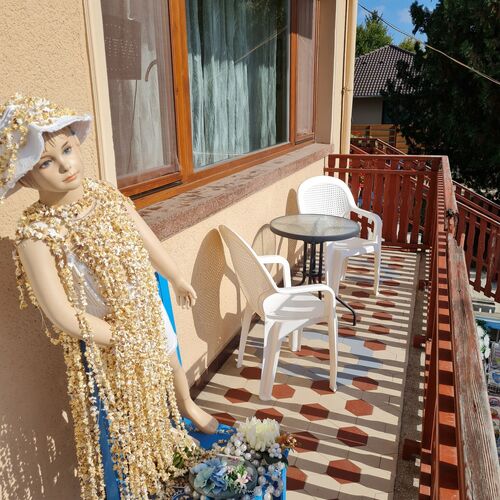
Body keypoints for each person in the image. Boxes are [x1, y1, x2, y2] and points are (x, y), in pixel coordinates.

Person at [1, 95, 217, 498]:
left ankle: (186, 405)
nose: (65, 166)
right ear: (27, 177)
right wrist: (120, 338)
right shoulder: (37, 235)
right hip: (107, 338)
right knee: (129, 407)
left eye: (68, 149)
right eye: (46, 162)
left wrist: (175, 277)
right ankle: (149, 456)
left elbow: (143, 236)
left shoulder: (104, 195)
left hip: (145, 307)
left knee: (170, 358)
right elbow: (59, 312)